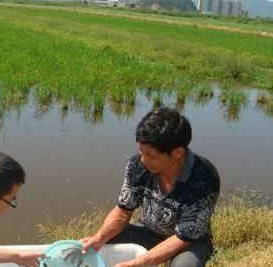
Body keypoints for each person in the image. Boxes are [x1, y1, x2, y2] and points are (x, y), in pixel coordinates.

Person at [82, 108, 220, 267]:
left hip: (189, 241)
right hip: (148, 231)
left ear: (177, 153)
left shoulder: (203, 178)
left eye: (151, 156)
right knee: (99, 243)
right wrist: (99, 239)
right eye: (141, 152)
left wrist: (135, 264)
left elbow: (184, 238)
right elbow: (123, 210)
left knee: (184, 265)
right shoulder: (138, 166)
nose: (143, 160)